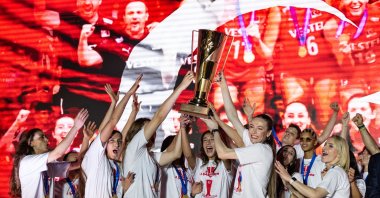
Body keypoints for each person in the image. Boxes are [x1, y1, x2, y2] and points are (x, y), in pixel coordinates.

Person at [122, 71, 193, 197]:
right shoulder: (134, 148)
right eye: (148, 128)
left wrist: (182, 127)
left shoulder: (152, 157)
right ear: (137, 133)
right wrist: (181, 87)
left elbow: (176, 153)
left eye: (152, 130)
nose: (152, 132)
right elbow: (159, 117)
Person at [275, 5, 340, 128]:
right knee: (295, 111)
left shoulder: (326, 4)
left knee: (325, 113)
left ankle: (323, 139)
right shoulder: (279, 10)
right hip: (294, 69)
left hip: (324, 68)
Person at [81, 76, 142, 198]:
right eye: (112, 141)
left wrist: (133, 114)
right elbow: (112, 122)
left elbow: (122, 136)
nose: (117, 144)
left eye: (118, 142)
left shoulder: (115, 167)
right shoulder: (96, 156)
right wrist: (129, 94)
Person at [324, 0, 380, 127]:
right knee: (355, 107)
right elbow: (345, 69)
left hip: (378, 72)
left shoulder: (378, 15)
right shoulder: (332, 27)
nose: (355, 1)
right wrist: (346, 55)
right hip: (354, 76)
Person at [9, 109, 88, 197]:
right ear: (30, 142)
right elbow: (57, 153)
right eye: (41, 137)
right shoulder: (27, 162)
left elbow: (74, 165)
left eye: (46, 137)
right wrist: (75, 127)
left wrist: (87, 138)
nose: (47, 140)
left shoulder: (45, 165)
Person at [204, 113, 276, 198]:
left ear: (268, 133)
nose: (253, 132)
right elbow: (233, 117)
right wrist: (218, 121)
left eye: (260, 128)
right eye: (251, 127)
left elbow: (222, 153)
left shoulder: (260, 149)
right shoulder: (253, 148)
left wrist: (215, 130)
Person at [276, 135, 350, 198]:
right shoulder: (333, 172)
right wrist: (289, 186)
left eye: (330, 146)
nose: (324, 148)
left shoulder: (335, 172)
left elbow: (315, 194)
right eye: (325, 144)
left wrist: (290, 179)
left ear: (340, 153)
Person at [159, 115, 192, 198]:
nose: (179, 148)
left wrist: (193, 194)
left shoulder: (187, 169)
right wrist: (183, 128)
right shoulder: (164, 167)